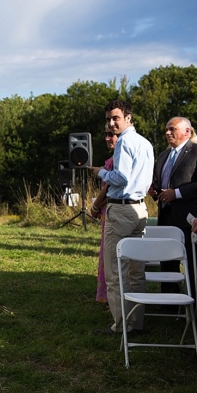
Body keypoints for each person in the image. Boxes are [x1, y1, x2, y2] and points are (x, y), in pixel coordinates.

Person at [90, 99, 155, 336]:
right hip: (140, 209)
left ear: (128, 117)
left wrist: (101, 172)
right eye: (108, 119)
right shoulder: (145, 143)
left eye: (115, 118)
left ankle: (122, 326)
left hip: (121, 210)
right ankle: (136, 322)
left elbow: (121, 178)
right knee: (135, 271)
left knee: (116, 273)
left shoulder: (125, 142)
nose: (111, 123)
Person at [148, 117, 197, 294]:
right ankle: (169, 300)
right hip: (166, 215)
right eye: (166, 129)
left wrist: (177, 193)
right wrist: (154, 189)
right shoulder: (164, 155)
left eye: (172, 129)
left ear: (187, 131)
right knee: (167, 259)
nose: (167, 133)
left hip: (190, 217)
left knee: (194, 260)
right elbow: (160, 180)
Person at [90, 125, 119, 303]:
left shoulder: (118, 159)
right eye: (106, 135)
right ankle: (107, 296)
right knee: (105, 252)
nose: (107, 138)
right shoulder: (112, 159)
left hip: (110, 207)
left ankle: (112, 298)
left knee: (110, 254)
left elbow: (109, 187)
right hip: (105, 211)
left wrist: (94, 206)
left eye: (112, 135)